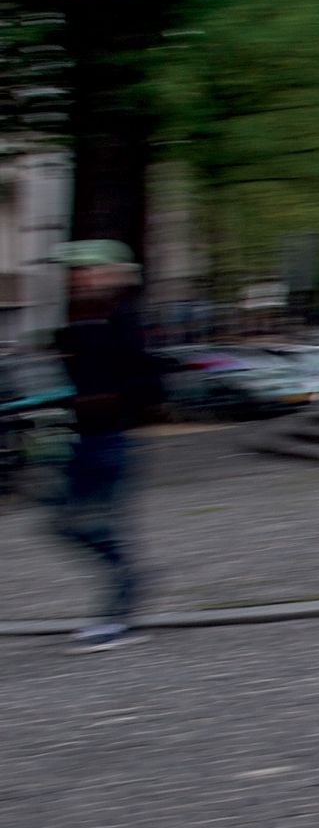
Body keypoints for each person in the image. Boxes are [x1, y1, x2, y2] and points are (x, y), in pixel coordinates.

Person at [51, 240, 160, 653]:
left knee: (107, 522)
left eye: (87, 271)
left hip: (111, 438)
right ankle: (130, 580)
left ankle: (119, 612)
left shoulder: (125, 320)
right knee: (62, 521)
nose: (78, 279)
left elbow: (149, 383)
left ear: (112, 273)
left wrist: (101, 399)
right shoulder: (81, 320)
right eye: (75, 273)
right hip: (83, 439)